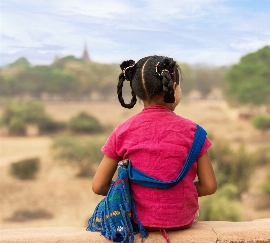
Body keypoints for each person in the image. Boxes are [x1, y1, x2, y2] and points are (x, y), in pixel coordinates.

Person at [91, 55, 217, 236]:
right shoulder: (194, 132)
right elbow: (209, 186)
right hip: (182, 221)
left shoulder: (122, 131)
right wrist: (176, 191)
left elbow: (98, 186)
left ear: (137, 92)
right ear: (174, 88)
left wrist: (140, 192)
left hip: (137, 220)